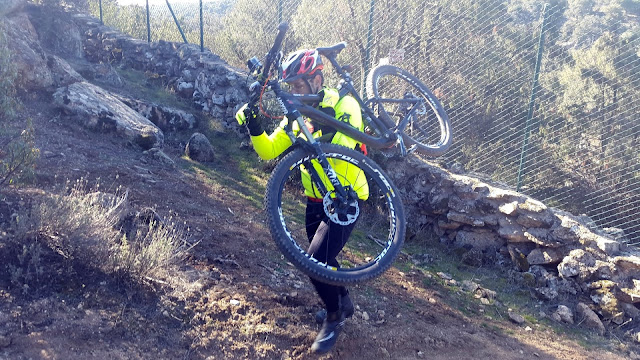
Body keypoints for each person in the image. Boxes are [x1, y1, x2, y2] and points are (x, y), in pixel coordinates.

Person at [235, 48, 365, 354]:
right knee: (323, 257)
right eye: (290, 86)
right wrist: (254, 125)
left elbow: (345, 144)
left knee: (315, 259)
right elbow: (268, 151)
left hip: (346, 197)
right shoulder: (295, 117)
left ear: (317, 79)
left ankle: (334, 319)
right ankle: (343, 302)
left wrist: (318, 129)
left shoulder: (345, 102)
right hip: (315, 199)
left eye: (299, 85)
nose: (294, 91)